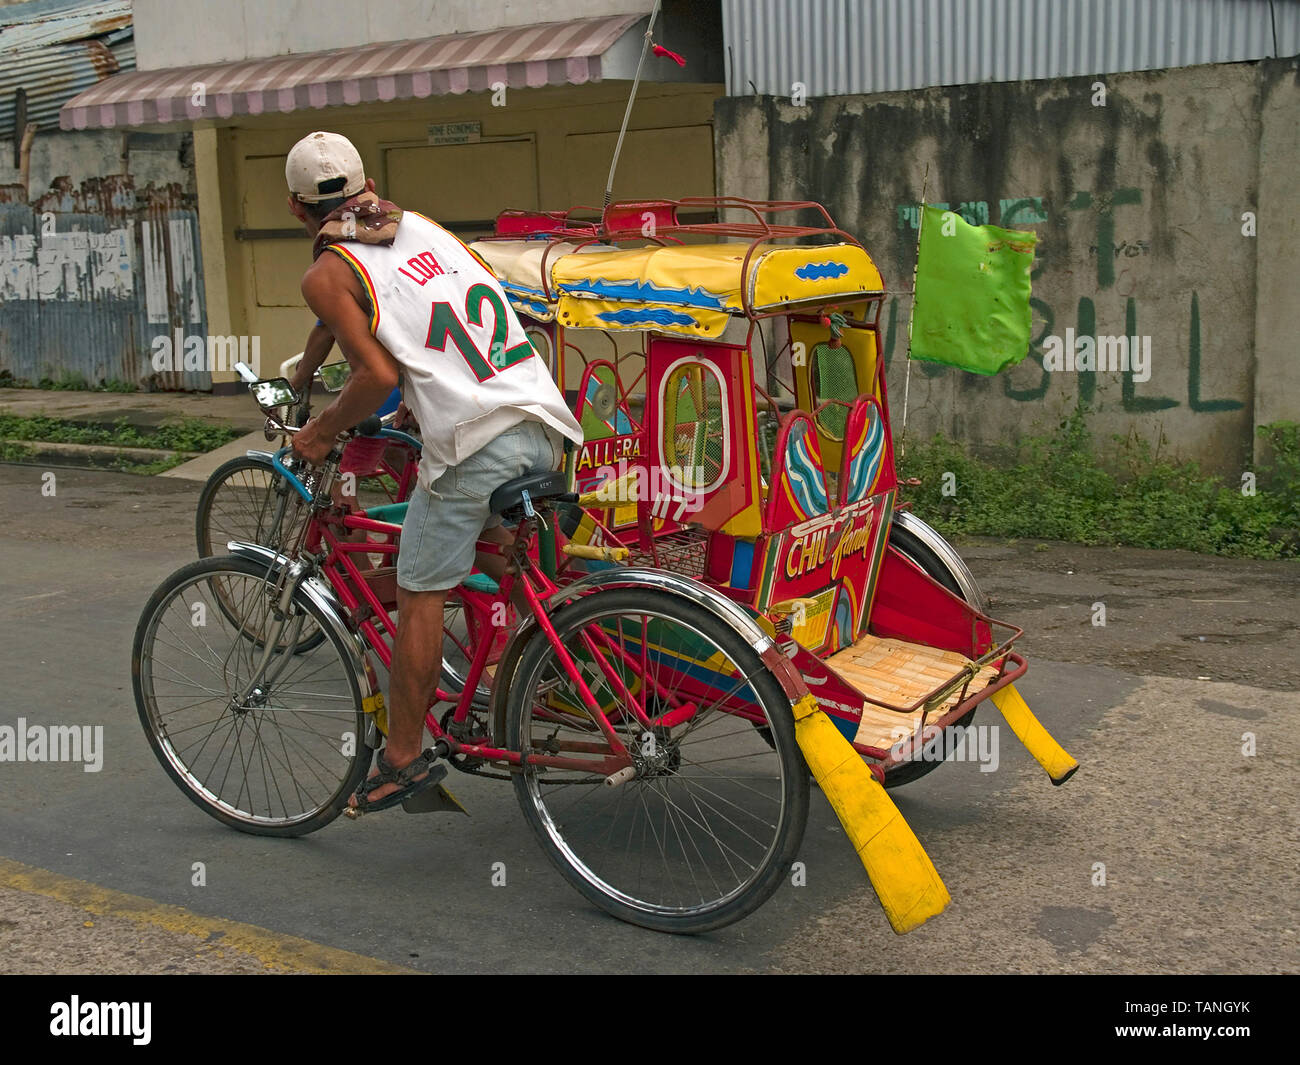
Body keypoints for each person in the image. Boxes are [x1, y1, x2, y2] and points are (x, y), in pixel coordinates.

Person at [285, 131, 583, 812]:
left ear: (295, 206)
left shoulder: (326, 273)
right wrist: (320, 377)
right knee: (487, 555)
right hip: (543, 423)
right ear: (365, 182)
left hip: (481, 443)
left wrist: (320, 431)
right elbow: (399, 323)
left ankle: (401, 758)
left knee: (421, 589)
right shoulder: (422, 228)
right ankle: (518, 674)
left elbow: (376, 372)